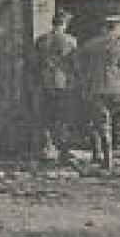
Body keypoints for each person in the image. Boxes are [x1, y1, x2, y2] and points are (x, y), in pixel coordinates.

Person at [73, 14, 120, 171]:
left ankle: (107, 160)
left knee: (102, 125)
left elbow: (75, 60)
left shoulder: (91, 44)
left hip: (97, 88)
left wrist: (85, 76)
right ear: (117, 27)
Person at [31, 8, 78, 163]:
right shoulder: (70, 41)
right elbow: (74, 64)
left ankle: (47, 149)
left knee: (46, 117)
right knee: (63, 117)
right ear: (65, 24)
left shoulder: (41, 40)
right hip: (63, 83)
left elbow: (35, 63)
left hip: (44, 82)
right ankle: (63, 150)